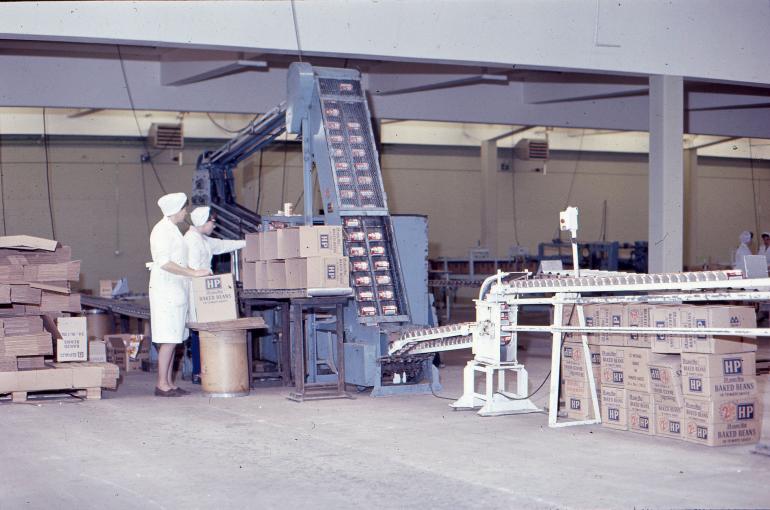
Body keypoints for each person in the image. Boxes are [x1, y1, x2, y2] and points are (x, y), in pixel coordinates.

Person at [148, 192, 211, 397]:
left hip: (176, 290)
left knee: (174, 338)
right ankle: (161, 384)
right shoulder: (161, 231)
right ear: (175, 210)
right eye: (184, 208)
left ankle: (169, 382)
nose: (186, 212)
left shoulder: (173, 230)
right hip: (166, 291)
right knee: (168, 338)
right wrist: (193, 273)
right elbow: (164, 262)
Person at [184, 206, 247, 382]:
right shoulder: (192, 240)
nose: (215, 225)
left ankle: (205, 369)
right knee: (199, 330)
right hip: (196, 290)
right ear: (203, 222)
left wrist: (248, 242)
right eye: (213, 222)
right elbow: (195, 268)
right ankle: (199, 371)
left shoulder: (202, 239)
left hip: (203, 288)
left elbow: (221, 245)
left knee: (203, 328)